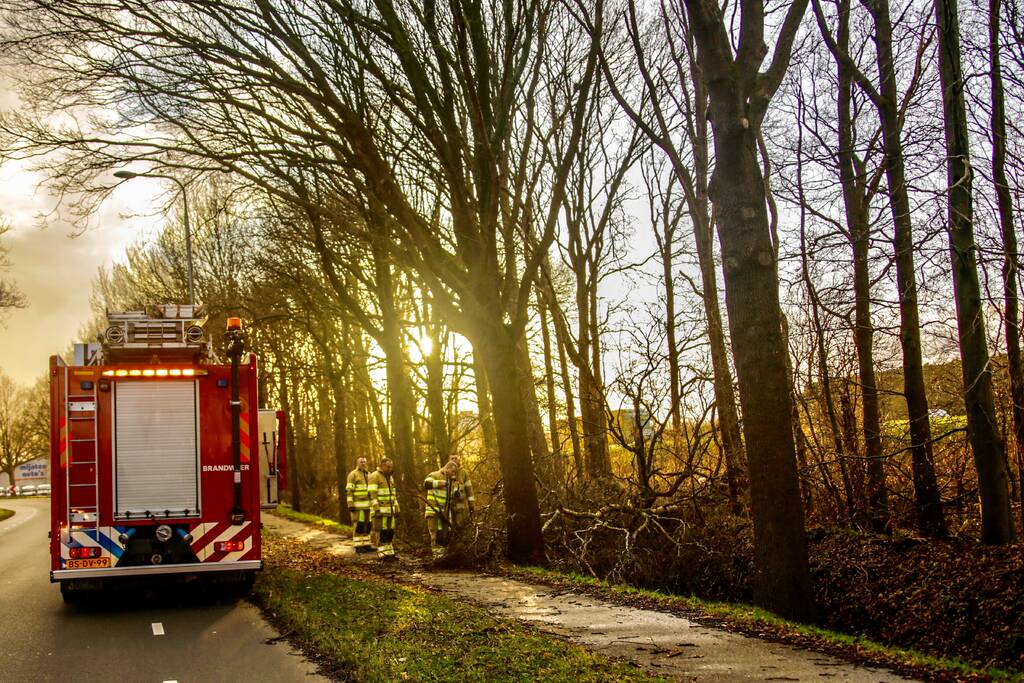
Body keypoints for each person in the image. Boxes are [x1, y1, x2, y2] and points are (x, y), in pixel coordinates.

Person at [423, 459, 464, 559]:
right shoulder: (434, 475)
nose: (454, 474)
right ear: (447, 468)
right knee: (435, 534)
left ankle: (442, 556)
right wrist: (440, 483)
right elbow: (426, 484)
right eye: (453, 472)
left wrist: (457, 494)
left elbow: (453, 495)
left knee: (443, 535)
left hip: (445, 513)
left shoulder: (451, 481)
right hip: (433, 511)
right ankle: (437, 557)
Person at [368, 457, 399, 560]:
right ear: (382, 465)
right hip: (380, 511)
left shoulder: (390, 478)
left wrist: (397, 508)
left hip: (390, 511)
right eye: (388, 466)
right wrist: (376, 509)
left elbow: (393, 494)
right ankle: (382, 554)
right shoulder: (374, 476)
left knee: (390, 532)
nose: (390, 468)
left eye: (391, 467)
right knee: (382, 532)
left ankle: (390, 553)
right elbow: (372, 494)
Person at [346, 457, 374, 553]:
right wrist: (350, 504)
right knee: (359, 525)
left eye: (364, 462)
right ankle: (358, 546)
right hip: (358, 506)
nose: (363, 463)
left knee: (368, 525)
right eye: (361, 462)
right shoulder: (353, 474)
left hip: (368, 506)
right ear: (357, 463)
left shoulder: (369, 474)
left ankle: (366, 545)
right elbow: (349, 490)